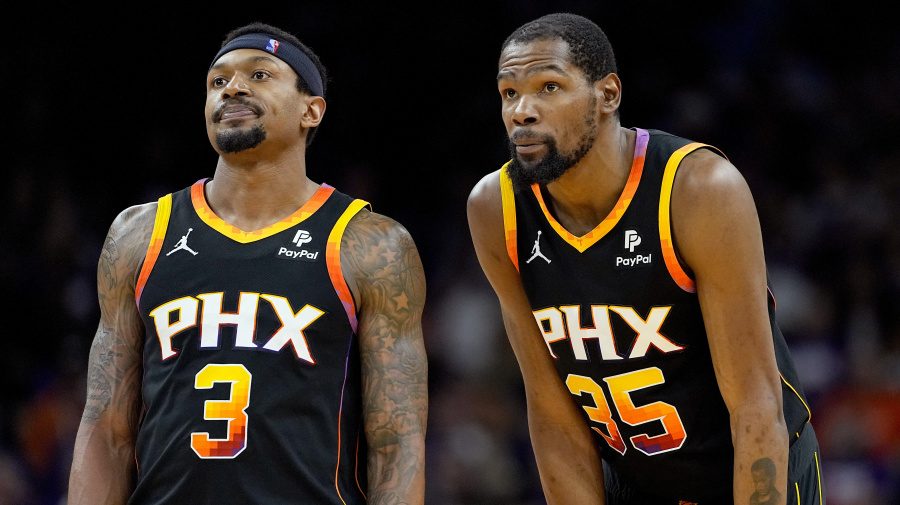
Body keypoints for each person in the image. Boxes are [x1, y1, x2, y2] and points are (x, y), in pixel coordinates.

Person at [467, 13, 823, 505]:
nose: (522, 111)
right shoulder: (494, 209)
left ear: (608, 95)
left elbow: (756, 407)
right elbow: (552, 414)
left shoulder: (698, 190)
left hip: (749, 470)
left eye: (549, 87)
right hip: (635, 481)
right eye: (509, 93)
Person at [68, 22, 427, 505]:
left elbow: (396, 442)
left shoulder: (370, 243)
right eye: (218, 81)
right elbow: (106, 426)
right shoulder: (139, 233)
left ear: (311, 110)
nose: (233, 87)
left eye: (259, 75)